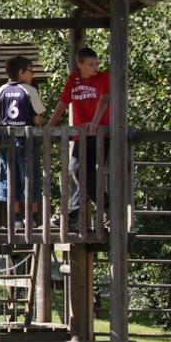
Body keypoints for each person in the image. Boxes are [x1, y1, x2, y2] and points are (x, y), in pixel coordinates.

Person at [47, 47, 110, 227]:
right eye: (90, 64)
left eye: (97, 63)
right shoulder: (73, 79)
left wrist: (95, 122)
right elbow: (63, 102)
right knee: (80, 171)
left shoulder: (104, 77)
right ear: (80, 64)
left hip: (99, 134)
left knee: (79, 170)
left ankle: (72, 214)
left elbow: (105, 99)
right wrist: (50, 125)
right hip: (81, 134)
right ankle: (104, 206)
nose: (95, 67)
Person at [0, 55, 46, 229]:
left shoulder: (1, 90)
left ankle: (15, 218)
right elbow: (38, 117)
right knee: (29, 178)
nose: (32, 74)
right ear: (21, 72)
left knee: (10, 179)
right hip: (26, 141)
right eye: (30, 71)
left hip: (5, 142)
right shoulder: (28, 90)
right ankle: (31, 217)